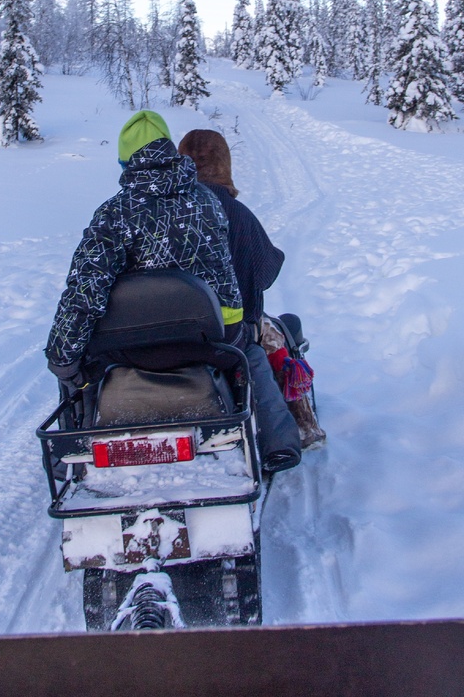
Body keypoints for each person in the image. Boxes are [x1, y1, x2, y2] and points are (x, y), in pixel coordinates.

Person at [45, 110, 301, 473]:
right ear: (171, 152)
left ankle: (70, 454)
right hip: (210, 343)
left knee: (75, 370)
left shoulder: (114, 214)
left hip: (132, 350)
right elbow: (226, 274)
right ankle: (280, 441)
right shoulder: (209, 202)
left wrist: (63, 358)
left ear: (125, 162)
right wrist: (235, 327)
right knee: (252, 355)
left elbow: (84, 293)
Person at [178, 129, 326, 449]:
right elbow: (265, 272)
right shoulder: (239, 214)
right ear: (224, 165)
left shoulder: (167, 212)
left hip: (176, 326)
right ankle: (303, 427)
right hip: (230, 330)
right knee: (274, 335)